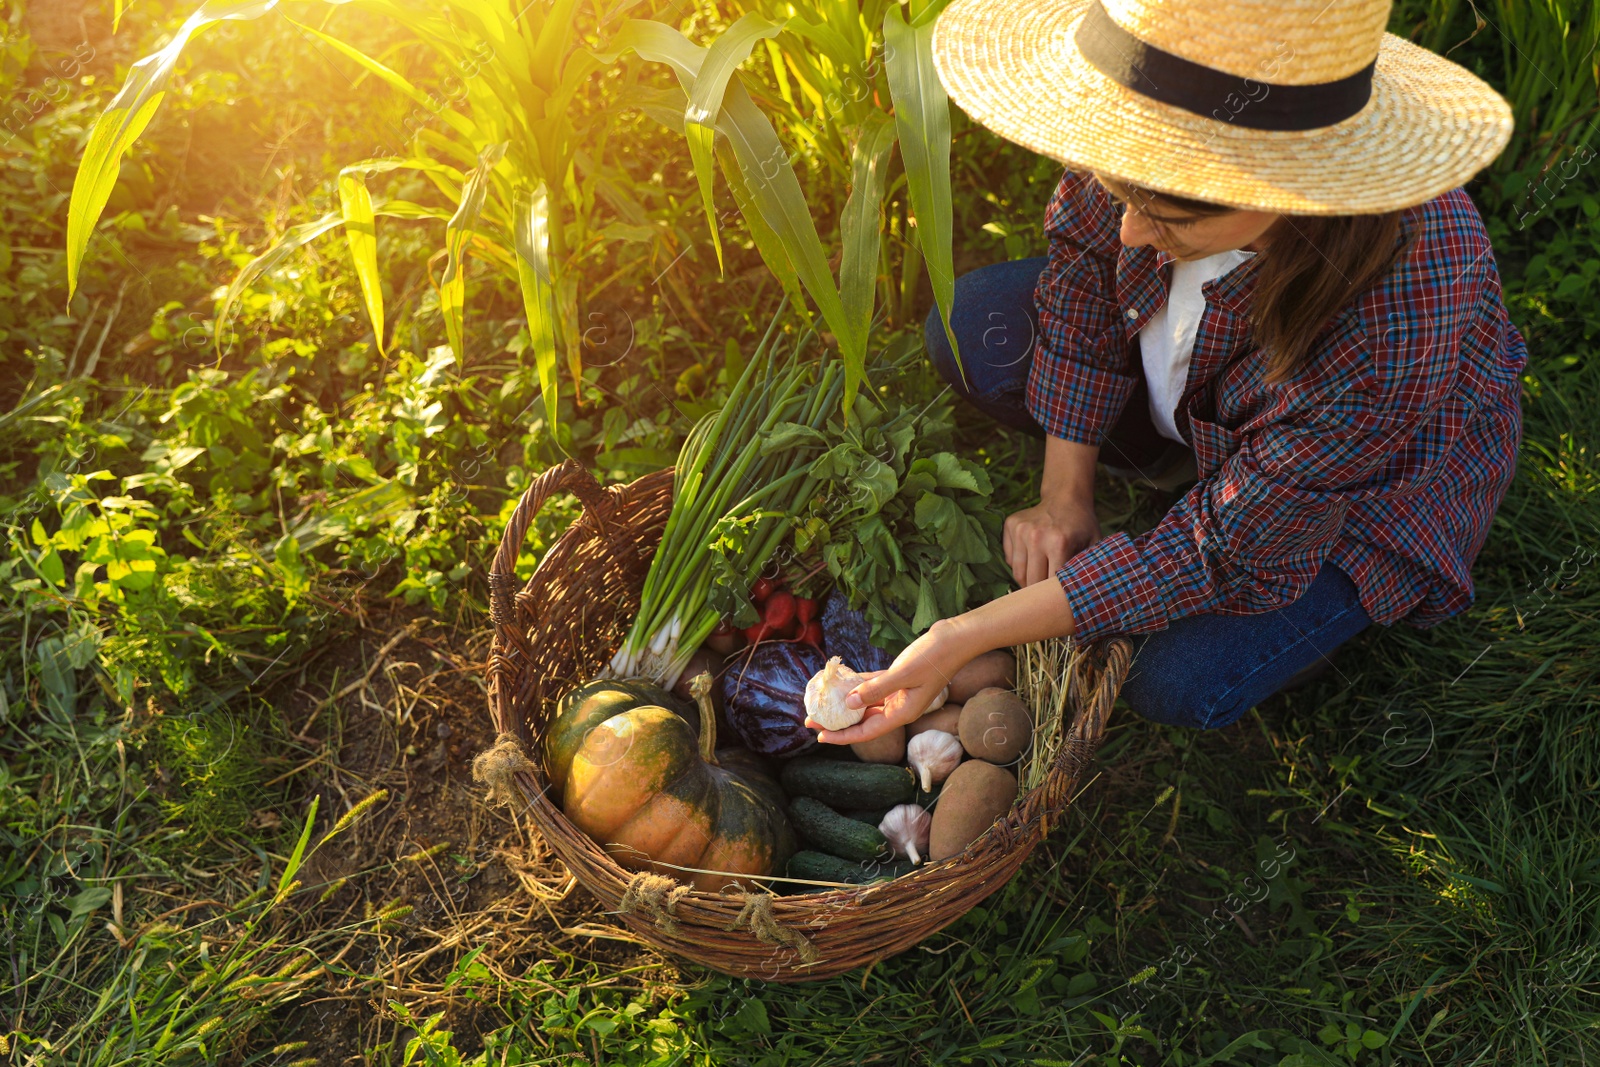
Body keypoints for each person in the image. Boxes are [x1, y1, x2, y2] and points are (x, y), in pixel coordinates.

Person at [813, 0, 1526, 742]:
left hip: (1361, 497)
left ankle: (1312, 608)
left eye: (1174, 218)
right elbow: (1085, 275)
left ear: (1285, 192)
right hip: (1212, 396)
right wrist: (1064, 493)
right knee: (974, 332)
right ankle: (1172, 466)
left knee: (1170, 678)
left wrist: (963, 634)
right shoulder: (1149, 101)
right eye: (1123, 190)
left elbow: (1216, 550)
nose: (1130, 230)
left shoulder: (1394, 322)